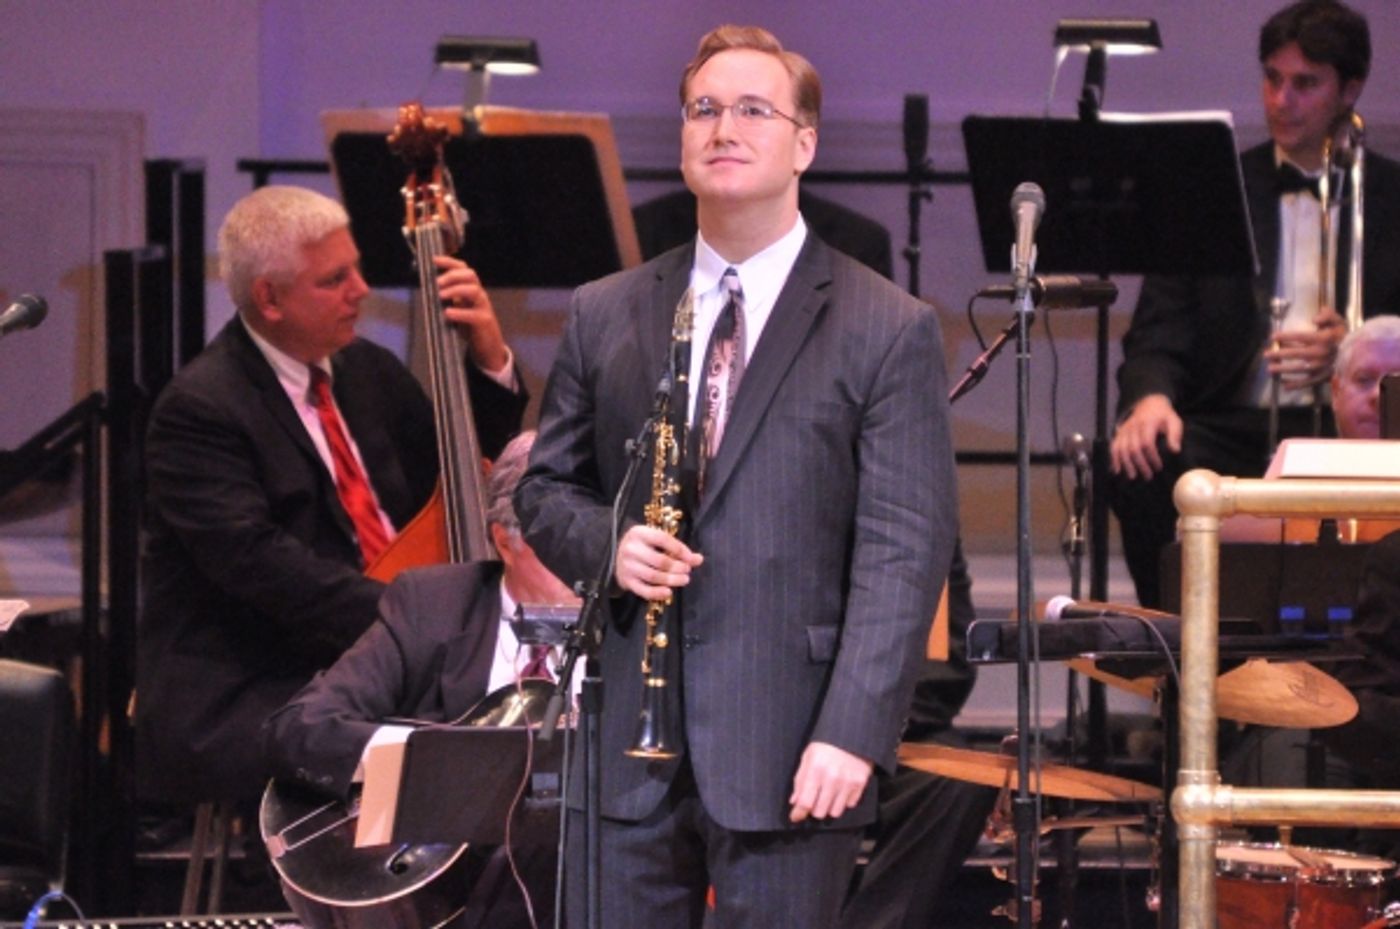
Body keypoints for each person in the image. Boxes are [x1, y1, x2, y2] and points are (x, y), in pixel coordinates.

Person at [515, 24, 957, 929]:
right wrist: (610, 542)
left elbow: (903, 554)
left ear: (804, 144)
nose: (724, 127)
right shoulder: (609, 311)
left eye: (754, 109)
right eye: (704, 109)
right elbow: (545, 487)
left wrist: (854, 733)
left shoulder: (887, 325)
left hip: (795, 747)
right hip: (624, 751)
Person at [136, 184, 528, 808]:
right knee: (428, 745)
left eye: (357, 268)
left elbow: (467, 476)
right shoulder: (199, 410)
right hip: (257, 676)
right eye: (334, 279)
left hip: (374, 661)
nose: (361, 291)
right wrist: (408, 619)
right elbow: (260, 567)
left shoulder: (366, 371)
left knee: (509, 727)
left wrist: (486, 358)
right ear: (269, 298)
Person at [1109, 0, 1400, 608]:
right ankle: (1182, 658)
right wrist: (1150, 398)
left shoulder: (1394, 196)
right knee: (1141, 463)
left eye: (1304, 84)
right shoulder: (1213, 190)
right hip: (1232, 427)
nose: (1280, 100)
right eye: (1272, 78)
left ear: (1351, 88)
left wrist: (1356, 346)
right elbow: (1158, 326)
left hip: (1357, 431)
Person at [263, 430, 569, 928]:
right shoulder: (433, 606)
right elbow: (299, 727)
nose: (586, 566)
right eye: (560, 544)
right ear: (504, 542)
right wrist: (430, 766)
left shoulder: (641, 622)